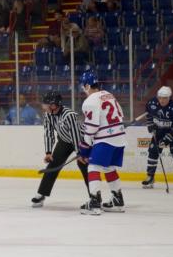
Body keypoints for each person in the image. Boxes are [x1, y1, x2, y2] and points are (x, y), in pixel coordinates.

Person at [78, 70, 126, 215]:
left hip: (105, 139)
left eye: (83, 86)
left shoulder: (90, 101)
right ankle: (118, 201)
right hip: (119, 137)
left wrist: (84, 149)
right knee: (109, 167)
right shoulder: (109, 95)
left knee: (93, 167)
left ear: (87, 86)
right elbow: (121, 115)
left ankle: (94, 203)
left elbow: (92, 128)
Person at [31, 92, 89, 208]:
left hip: (81, 140)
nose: (44, 107)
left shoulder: (69, 115)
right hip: (64, 141)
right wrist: (48, 152)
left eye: (46, 104)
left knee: (84, 165)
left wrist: (79, 152)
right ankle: (41, 194)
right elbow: (48, 133)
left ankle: (94, 197)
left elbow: (75, 135)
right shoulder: (48, 115)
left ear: (53, 105)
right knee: (53, 164)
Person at [142, 86, 173, 190]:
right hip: (158, 132)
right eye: (160, 97)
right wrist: (150, 126)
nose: (162, 100)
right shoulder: (152, 103)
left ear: (169, 97)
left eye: (165, 98)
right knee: (153, 152)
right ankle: (150, 177)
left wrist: (168, 138)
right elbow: (148, 115)